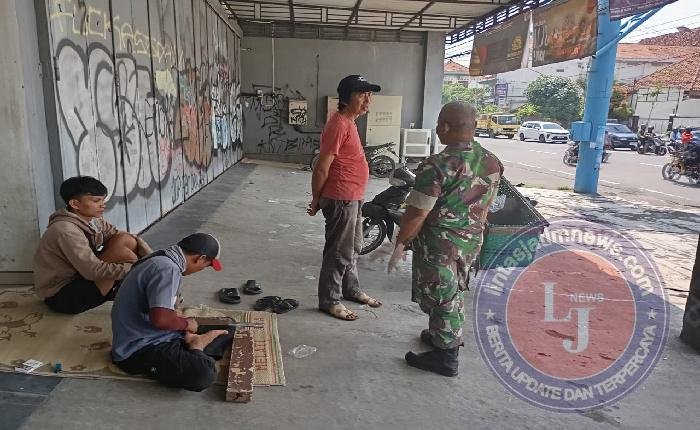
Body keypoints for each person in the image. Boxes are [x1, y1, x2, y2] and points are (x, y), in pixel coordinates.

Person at [389, 102, 502, 377]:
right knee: (454, 288)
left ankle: (446, 356)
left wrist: (400, 244)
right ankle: (441, 334)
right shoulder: (491, 160)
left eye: (439, 124)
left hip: (440, 243)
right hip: (471, 240)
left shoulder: (438, 165)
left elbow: (417, 212)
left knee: (441, 294)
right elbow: (486, 205)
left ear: (445, 127)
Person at [111, 233, 229, 392]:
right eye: (206, 265)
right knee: (203, 373)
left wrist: (182, 324)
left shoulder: (162, 258)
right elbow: (161, 320)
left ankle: (193, 346)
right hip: (138, 348)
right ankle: (196, 346)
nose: (201, 270)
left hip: (156, 333)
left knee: (227, 329)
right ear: (200, 258)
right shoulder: (167, 269)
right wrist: (186, 324)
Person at [307, 75, 383, 321]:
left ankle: (351, 289)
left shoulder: (350, 122)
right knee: (339, 251)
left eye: (369, 95)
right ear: (346, 98)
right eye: (362, 95)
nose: (367, 100)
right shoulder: (338, 124)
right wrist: (316, 200)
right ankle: (329, 300)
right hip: (341, 197)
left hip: (354, 196)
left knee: (354, 247)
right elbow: (321, 167)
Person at [33, 176, 152, 314]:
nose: (103, 205)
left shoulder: (93, 221)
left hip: (81, 277)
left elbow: (120, 235)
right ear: (75, 204)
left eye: (103, 200)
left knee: (126, 240)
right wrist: (138, 268)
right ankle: (145, 291)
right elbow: (92, 271)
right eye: (96, 201)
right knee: (124, 255)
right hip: (62, 296)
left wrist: (148, 254)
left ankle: (138, 285)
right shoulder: (66, 230)